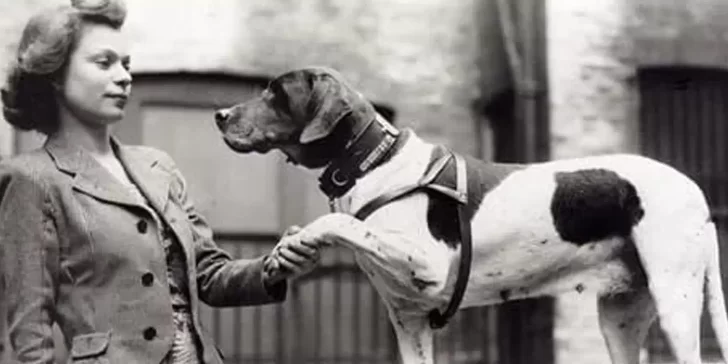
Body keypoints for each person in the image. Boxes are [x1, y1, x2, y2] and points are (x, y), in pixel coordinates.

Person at [0, 0, 321, 363]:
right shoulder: (32, 179)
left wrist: (275, 266)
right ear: (55, 76)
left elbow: (209, 275)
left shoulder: (158, 167)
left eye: (127, 64)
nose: (123, 76)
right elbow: (29, 328)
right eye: (103, 63)